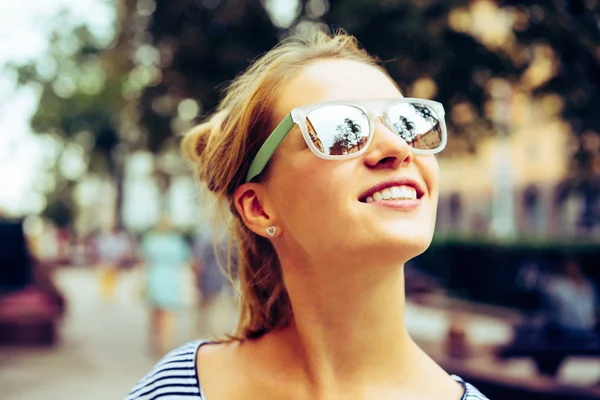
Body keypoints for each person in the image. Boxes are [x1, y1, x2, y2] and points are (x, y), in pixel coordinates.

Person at [127, 30, 487, 400]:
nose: (396, 147)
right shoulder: (176, 388)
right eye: (338, 130)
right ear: (258, 207)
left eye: (408, 122)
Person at [139, 217, 192, 356]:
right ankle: (166, 344)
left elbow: (144, 259)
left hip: (154, 277)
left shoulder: (152, 240)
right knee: (168, 314)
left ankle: (154, 343)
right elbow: (184, 258)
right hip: (170, 279)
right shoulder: (176, 241)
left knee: (154, 313)